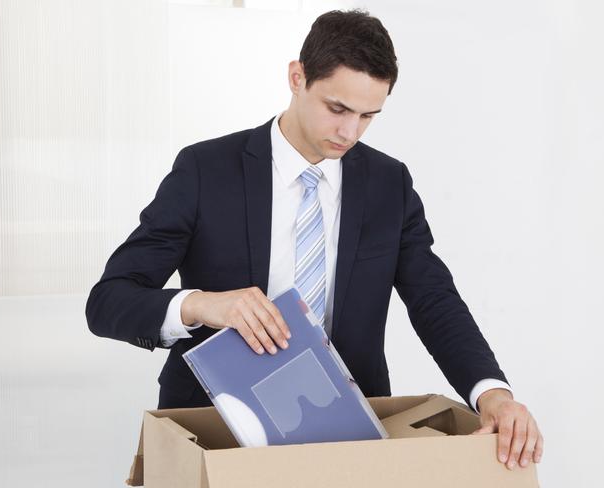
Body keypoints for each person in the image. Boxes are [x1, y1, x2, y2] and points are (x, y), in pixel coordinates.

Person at [86, 9, 542, 471]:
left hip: (350, 433)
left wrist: (493, 394)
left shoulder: (390, 184)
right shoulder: (206, 170)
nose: (350, 132)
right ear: (296, 77)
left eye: (369, 116)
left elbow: (435, 300)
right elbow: (108, 302)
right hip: (214, 426)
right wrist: (203, 305)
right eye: (337, 109)